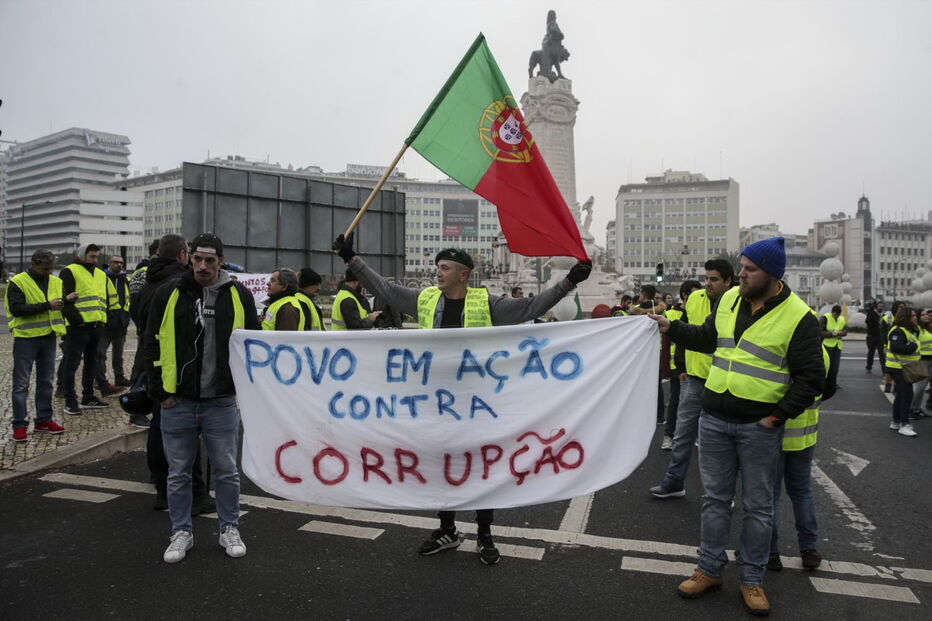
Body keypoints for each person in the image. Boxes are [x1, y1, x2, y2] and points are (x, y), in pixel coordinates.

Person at [332, 231, 591, 565]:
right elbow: (386, 290)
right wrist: (351, 258)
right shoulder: (425, 299)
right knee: (445, 465)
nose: (438, 272)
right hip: (437, 403)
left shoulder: (487, 302)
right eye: (438, 266)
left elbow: (531, 306)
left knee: (482, 466)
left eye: (445, 267)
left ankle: (484, 533)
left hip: (479, 403)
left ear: (463, 274)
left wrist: (569, 280)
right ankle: (447, 530)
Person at [649, 236, 824, 615]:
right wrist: (670, 326)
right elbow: (709, 338)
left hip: (759, 427)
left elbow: (812, 379)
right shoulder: (729, 299)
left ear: (772, 275)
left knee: (759, 507)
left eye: (749, 269)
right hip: (714, 419)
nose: (740, 274)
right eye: (741, 267)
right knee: (714, 500)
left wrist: (775, 418)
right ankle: (709, 570)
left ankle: (752, 579)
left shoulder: (798, 316)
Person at [145, 233, 260, 563]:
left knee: (226, 470)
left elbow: (251, 345)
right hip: (177, 401)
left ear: (221, 261)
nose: (203, 266)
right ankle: (181, 530)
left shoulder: (238, 295)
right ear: (188, 258)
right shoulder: (170, 292)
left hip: (221, 401)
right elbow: (151, 340)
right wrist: (160, 393)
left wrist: (247, 391)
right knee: (178, 472)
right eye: (197, 258)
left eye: (210, 260)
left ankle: (229, 527)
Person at [133, 235, 209, 506]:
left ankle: (160, 479)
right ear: (181, 255)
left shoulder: (147, 280)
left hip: (151, 360)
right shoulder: (179, 284)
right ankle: (191, 492)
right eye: (190, 253)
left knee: (159, 425)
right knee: (185, 432)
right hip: (177, 367)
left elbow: (139, 318)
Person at [649, 261, 734, 498]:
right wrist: (682, 366)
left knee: (718, 444)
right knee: (683, 434)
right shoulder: (695, 299)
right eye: (707, 278)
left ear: (729, 281)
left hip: (724, 381)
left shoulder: (737, 302)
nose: (708, 283)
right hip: (695, 379)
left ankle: (721, 494)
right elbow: (685, 332)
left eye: (714, 279)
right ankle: (674, 481)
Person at [768, 346, 831, 573]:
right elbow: (828, 388)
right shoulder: (821, 350)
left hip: (775, 431)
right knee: (802, 492)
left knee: (770, 495)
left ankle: (770, 551)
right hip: (805, 433)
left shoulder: (780, 344)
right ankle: (809, 549)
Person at [5, 249, 75, 441]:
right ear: (34, 264)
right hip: (26, 337)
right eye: (45, 268)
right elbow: (16, 308)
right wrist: (48, 305)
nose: (48, 272)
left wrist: (66, 301)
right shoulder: (18, 281)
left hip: (49, 336)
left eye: (51, 268)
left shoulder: (55, 281)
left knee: (46, 382)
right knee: (21, 384)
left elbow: (58, 304)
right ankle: (19, 425)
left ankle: (44, 419)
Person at [59, 243, 116, 416]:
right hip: (78, 327)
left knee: (92, 363)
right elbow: (64, 300)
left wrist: (104, 320)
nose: (95, 259)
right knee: (72, 363)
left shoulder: (100, 274)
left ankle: (88, 396)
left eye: (97, 256)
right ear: (82, 255)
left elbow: (103, 298)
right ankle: (70, 400)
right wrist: (78, 321)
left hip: (97, 325)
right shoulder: (70, 271)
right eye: (92, 256)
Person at [660, 280, 702, 451]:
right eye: (695, 293)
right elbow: (674, 343)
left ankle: (697, 437)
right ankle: (669, 436)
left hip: (700, 367)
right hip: (680, 367)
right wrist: (675, 367)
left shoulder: (702, 311)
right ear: (685, 295)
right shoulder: (671, 314)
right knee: (676, 402)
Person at [96, 255, 132, 391]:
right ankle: (100, 379)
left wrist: (126, 318)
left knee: (119, 354)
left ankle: (119, 376)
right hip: (105, 323)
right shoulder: (102, 278)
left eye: (121, 263)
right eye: (115, 262)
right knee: (100, 354)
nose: (118, 265)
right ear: (109, 263)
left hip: (121, 323)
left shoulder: (125, 280)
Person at [886, 305, 920, 437]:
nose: (915, 318)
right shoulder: (898, 331)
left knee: (901, 395)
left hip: (902, 367)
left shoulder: (907, 330)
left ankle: (896, 421)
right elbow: (896, 347)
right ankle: (904, 424)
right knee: (906, 395)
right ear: (906, 318)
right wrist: (912, 346)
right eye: (912, 316)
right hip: (899, 367)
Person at [909, 308, 932, 419]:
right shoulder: (916, 329)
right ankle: (909, 409)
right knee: (918, 387)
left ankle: (916, 409)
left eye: (926, 314)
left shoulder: (926, 328)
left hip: (929, 360)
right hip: (921, 360)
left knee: (922, 388)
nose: (926, 316)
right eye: (923, 315)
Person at [819, 304, 846, 393]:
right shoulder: (825, 318)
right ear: (833, 312)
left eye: (838, 314)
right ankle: (823, 385)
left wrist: (842, 333)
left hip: (837, 346)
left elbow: (846, 330)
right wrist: (832, 334)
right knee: (826, 367)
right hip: (827, 345)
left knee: (835, 367)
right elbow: (820, 332)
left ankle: (833, 385)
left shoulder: (841, 319)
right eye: (836, 314)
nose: (837, 316)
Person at [864, 301, 883, 374]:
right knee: (871, 353)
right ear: (876, 307)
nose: (880, 308)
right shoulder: (872, 313)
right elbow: (867, 321)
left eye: (882, 306)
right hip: (871, 337)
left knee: (881, 353)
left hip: (880, 336)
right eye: (879, 306)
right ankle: (869, 367)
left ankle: (884, 369)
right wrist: (870, 311)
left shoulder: (883, 315)